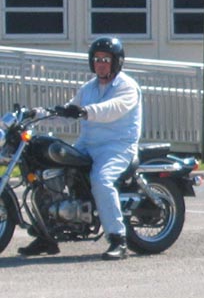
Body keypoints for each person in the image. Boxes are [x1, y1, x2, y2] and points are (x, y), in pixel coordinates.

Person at [19, 35, 142, 261]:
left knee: (101, 180)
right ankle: (47, 236)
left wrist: (86, 111)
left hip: (116, 146)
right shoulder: (88, 88)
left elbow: (112, 108)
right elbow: (67, 113)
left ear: (117, 61)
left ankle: (118, 239)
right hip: (87, 144)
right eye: (97, 59)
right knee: (47, 173)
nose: (100, 63)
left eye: (106, 59)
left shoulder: (127, 86)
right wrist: (37, 114)